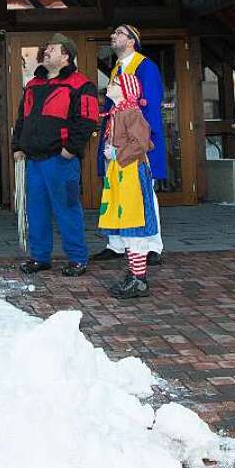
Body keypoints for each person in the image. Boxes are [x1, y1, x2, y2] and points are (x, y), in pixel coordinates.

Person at [12, 33, 100, 277]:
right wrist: (17, 146)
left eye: (52, 48)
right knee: (36, 210)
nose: (46, 51)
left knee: (68, 209)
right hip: (34, 161)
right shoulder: (33, 84)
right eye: (46, 48)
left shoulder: (82, 84)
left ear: (66, 55)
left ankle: (77, 259)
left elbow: (88, 120)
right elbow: (22, 119)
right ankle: (40, 258)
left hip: (61, 161)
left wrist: (70, 150)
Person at [94, 24, 167, 264]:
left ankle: (153, 245)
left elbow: (151, 106)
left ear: (132, 41)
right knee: (114, 190)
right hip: (115, 138)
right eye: (113, 33)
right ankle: (116, 243)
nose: (113, 36)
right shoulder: (118, 67)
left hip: (136, 141)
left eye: (118, 34)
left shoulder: (145, 66)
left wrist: (143, 142)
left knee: (145, 194)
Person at [98, 73, 158, 299]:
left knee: (133, 224)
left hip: (131, 173)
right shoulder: (120, 112)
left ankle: (139, 279)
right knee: (128, 225)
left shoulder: (131, 113)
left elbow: (142, 143)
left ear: (125, 89)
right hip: (122, 173)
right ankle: (136, 274)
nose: (109, 85)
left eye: (114, 83)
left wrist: (117, 153)